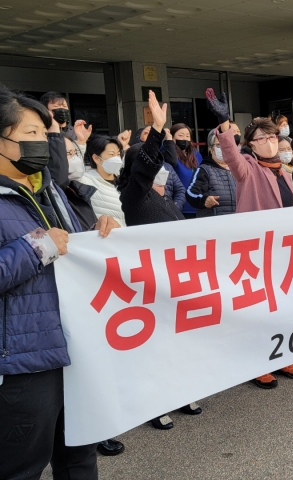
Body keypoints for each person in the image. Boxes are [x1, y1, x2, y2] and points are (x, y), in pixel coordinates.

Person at [0, 88, 119, 480]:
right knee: (21, 468)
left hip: (72, 347)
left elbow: (71, 247)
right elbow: (43, 248)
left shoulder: (48, 189)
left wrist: (98, 232)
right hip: (22, 363)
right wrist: (37, 247)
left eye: (45, 134)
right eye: (31, 133)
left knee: (79, 460)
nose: (43, 143)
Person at [206, 87, 293, 388]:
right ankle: (256, 363)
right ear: (250, 143)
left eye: (272, 136)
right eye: (260, 138)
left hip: (283, 249)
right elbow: (232, 157)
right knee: (257, 309)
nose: (268, 142)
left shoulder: (283, 171)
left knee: (282, 305)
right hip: (255, 251)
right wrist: (225, 124)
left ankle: (280, 354)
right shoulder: (247, 168)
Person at [118, 91, 204, 429]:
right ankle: (155, 403)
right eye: (151, 163)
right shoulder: (133, 196)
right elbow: (145, 164)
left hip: (177, 279)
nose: (159, 168)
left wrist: (165, 139)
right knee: (155, 348)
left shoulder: (164, 198)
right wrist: (156, 130)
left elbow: (163, 160)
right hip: (151, 284)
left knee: (178, 343)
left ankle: (181, 391)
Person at [186, 129, 237, 217]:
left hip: (239, 223)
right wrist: (204, 200)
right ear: (210, 149)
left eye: (226, 144)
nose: (223, 148)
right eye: (218, 145)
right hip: (214, 225)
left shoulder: (239, 169)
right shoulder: (204, 170)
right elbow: (191, 193)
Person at [78, 135, 127, 227]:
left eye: (118, 154)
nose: (116, 158)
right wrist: (80, 144)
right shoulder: (86, 180)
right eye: (111, 154)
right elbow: (74, 173)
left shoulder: (123, 181)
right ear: (96, 158)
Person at [169, 123, 203, 218]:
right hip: (178, 205)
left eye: (187, 136)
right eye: (180, 135)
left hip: (195, 204)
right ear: (172, 137)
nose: (184, 138)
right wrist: (169, 144)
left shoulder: (196, 154)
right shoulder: (170, 154)